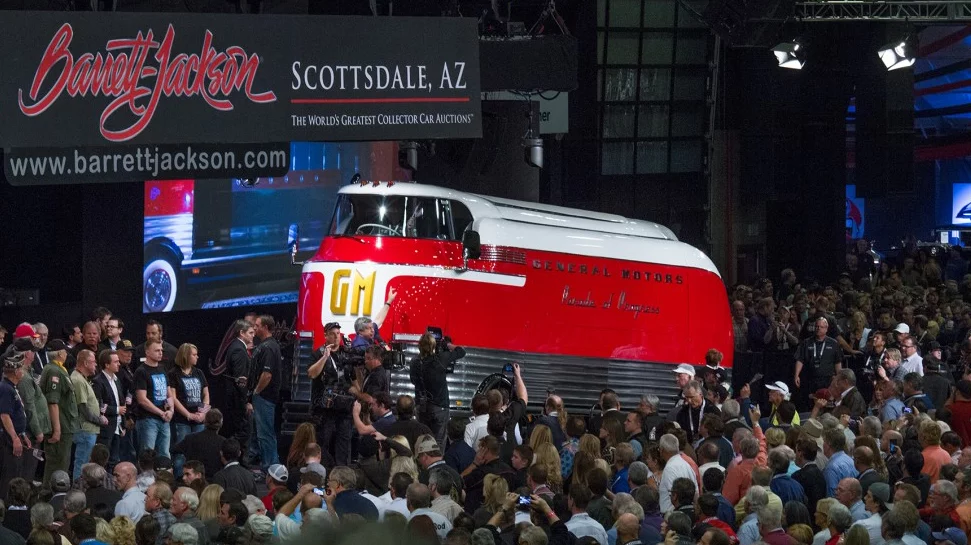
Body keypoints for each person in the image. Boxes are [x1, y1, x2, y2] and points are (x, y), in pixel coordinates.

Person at [307, 322, 356, 467]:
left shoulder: (346, 354)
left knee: (343, 443)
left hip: (344, 408)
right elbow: (311, 373)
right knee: (323, 442)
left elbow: (353, 379)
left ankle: (342, 474)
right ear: (325, 335)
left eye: (338, 334)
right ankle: (321, 471)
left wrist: (359, 396)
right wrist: (324, 357)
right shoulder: (318, 353)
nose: (336, 337)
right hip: (324, 408)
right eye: (332, 334)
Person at [409, 333, 465, 447]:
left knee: (423, 440)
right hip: (440, 407)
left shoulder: (414, 361)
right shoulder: (440, 359)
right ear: (433, 346)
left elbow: (413, 381)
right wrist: (448, 345)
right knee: (438, 442)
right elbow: (461, 351)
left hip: (421, 407)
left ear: (419, 346)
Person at [39, 340, 79, 485]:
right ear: (60, 353)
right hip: (60, 426)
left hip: (65, 425)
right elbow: (53, 402)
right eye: (65, 351)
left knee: (61, 464)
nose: (67, 354)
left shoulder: (59, 369)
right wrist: (56, 430)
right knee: (56, 466)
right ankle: (50, 498)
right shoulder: (54, 371)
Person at [168, 344, 209, 479]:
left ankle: (198, 479)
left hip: (199, 419)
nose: (197, 357)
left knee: (199, 450)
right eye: (194, 354)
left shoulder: (199, 373)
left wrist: (203, 413)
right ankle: (180, 478)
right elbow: (173, 397)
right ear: (185, 355)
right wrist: (188, 414)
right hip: (182, 420)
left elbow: (206, 394)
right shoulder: (174, 373)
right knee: (181, 452)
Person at [247, 316, 282, 471]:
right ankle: (262, 463)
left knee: (265, 433)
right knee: (260, 433)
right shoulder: (266, 345)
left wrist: (256, 391)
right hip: (263, 397)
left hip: (265, 397)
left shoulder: (268, 347)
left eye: (257, 325)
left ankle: (271, 468)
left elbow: (267, 375)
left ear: (266, 327)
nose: (254, 328)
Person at [134, 341, 173, 459]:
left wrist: (171, 411)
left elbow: (169, 394)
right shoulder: (141, 371)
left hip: (164, 419)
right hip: (148, 420)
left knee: (165, 455)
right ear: (147, 352)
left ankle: (164, 477)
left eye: (161, 350)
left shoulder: (162, 369)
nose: (160, 353)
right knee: (147, 455)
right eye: (157, 350)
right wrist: (161, 413)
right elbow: (142, 399)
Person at [71, 349, 107, 481]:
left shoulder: (82, 379)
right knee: (82, 463)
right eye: (93, 362)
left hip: (89, 429)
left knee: (84, 463)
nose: (96, 365)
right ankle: (77, 491)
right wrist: (99, 420)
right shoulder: (78, 380)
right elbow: (83, 408)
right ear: (86, 363)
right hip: (85, 429)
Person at [0, 351, 30, 499]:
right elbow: (4, 415)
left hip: (15, 437)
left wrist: (22, 434)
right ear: (17, 371)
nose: (24, 371)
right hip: (7, 440)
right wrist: (14, 438)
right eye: (22, 369)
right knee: (9, 477)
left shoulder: (12, 388)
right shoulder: (6, 389)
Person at [220, 320, 252, 456]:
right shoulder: (238, 349)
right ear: (241, 333)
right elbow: (240, 380)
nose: (252, 336)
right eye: (250, 333)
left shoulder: (237, 346)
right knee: (242, 431)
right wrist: (246, 401)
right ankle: (232, 456)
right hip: (237, 400)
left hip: (235, 398)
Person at [92, 350, 126, 468]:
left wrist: (123, 424)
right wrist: (116, 410)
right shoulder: (98, 381)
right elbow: (98, 405)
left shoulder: (117, 380)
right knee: (103, 459)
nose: (119, 364)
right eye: (116, 362)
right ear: (107, 364)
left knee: (114, 459)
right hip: (106, 428)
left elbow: (121, 402)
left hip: (118, 426)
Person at [172, 410, 227, 481]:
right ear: (221, 423)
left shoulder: (190, 438)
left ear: (205, 421)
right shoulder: (223, 442)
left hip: (193, 481)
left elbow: (173, 450)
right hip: (213, 482)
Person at [794, 317, 843, 393]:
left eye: (821, 327)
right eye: (817, 326)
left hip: (827, 380)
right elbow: (800, 360)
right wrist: (796, 375)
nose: (818, 328)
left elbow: (837, 362)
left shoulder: (833, 343)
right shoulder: (806, 342)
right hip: (809, 379)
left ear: (826, 329)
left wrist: (838, 378)